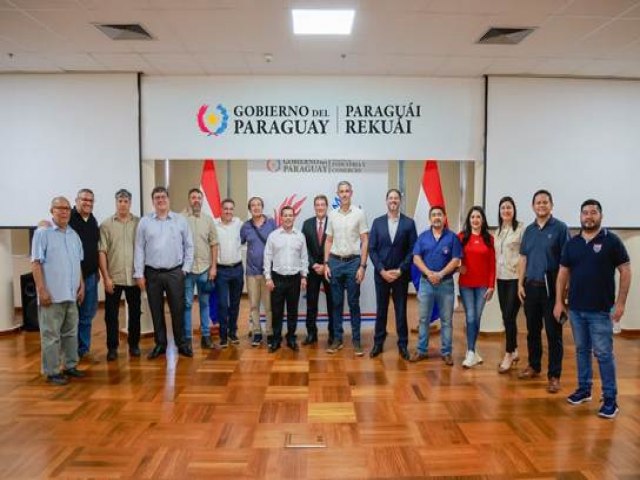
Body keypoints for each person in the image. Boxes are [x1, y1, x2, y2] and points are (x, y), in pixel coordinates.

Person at [554, 199, 631, 419]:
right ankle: (584, 389)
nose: (589, 216)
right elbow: (562, 273)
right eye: (585, 213)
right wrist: (559, 302)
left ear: (601, 216)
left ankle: (610, 399)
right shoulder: (573, 243)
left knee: (604, 354)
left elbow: (625, 271)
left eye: (593, 212)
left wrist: (621, 303)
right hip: (576, 309)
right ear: (580, 216)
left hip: (601, 311)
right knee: (581, 350)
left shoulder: (612, 241)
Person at [517, 189, 569, 393]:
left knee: (554, 333)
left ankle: (554, 376)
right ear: (533, 206)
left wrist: (563, 293)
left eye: (545, 202)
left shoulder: (561, 228)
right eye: (538, 202)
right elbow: (523, 258)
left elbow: (566, 262)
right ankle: (534, 365)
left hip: (552, 289)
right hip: (531, 287)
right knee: (532, 331)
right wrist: (520, 284)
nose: (541, 205)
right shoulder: (529, 230)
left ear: (551, 205)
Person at [134, 186, 194, 359]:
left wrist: (185, 269)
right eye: (157, 197)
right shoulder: (145, 222)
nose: (160, 200)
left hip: (175, 272)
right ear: (153, 201)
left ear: (168, 199)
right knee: (156, 310)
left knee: (178, 309)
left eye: (163, 197)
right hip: (152, 273)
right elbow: (139, 248)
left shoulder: (180, 220)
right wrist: (139, 273)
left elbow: (189, 245)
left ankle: (181, 343)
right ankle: (160, 344)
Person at [31, 196, 86, 385]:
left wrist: (81, 285)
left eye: (67, 208)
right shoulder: (42, 233)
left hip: (71, 294)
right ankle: (52, 371)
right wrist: (41, 290)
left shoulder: (73, 235)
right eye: (59, 208)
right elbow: (36, 263)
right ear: (51, 211)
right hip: (52, 296)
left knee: (71, 333)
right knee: (51, 336)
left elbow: (77, 263)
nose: (64, 212)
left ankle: (70, 365)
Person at [368, 189, 417, 360]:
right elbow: (372, 249)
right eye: (390, 198)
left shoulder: (409, 223)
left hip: (400, 275)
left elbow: (413, 250)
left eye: (396, 198)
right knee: (381, 309)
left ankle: (403, 345)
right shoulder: (377, 222)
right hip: (381, 275)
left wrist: (401, 270)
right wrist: (381, 270)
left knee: (401, 311)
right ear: (386, 201)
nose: (393, 201)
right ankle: (378, 343)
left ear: (400, 201)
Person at [411, 205, 462, 366]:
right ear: (430, 218)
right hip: (426, 283)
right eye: (434, 215)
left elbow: (456, 260)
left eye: (440, 214)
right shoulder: (423, 237)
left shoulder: (452, 237)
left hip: (446, 284)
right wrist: (429, 273)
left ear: (444, 218)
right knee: (424, 319)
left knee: (446, 320)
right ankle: (421, 350)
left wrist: (440, 274)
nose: (437, 217)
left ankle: (446, 352)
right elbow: (416, 258)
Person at [324, 181, 369, 357]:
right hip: (335, 262)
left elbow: (365, 240)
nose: (344, 194)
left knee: (353, 303)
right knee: (336, 303)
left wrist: (362, 266)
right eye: (341, 191)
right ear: (337, 194)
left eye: (347, 191)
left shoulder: (359, 213)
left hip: (353, 263)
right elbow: (328, 240)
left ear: (351, 193)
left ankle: (356, 341)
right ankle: (337, 339)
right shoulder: (332, 215)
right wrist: (326, 263)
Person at [98, 189, 141, 361]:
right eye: (120, 201)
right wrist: (106, 277)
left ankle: (134, 345)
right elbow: (102, 252)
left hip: (134, 277)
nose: (123, 204)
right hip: (113, 278)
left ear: (130, 203)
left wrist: (141, 274)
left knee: (135, 314)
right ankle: (112, 348)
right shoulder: (106, 225)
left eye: (126, 201)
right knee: (111, 316)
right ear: (116, 203)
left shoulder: (139, 223)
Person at [264, 205, 308, 352]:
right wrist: (268, 278)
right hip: (277, 278)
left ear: (294, 217)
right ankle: (276, 340)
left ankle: (291, 338)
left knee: (292, 311)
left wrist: (304, 276)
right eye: (285, 215)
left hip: (294, 279)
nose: (288, 218)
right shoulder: (273, 236)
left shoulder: (300, 236)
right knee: (277, 311)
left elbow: (304, 258)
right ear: (281, 218)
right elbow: (267, 257)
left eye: (290, 215)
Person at [458, 206, 495, 368]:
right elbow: (453, 256)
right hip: (466, 284)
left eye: (478, 217)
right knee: (471, 317)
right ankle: (471, 351)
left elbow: (492, 264)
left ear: (483, 220)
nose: (475, 220)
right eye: (472, 217)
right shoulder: (461, 237)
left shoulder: (489, 239)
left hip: (483, 286)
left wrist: (491, 285)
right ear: (469, 220)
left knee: (477, 318)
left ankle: (472, 350)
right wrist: (457, 267)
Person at [183, 188, 218, 350]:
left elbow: (214, 244)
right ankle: (187, 338)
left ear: (202, 200)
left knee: (204, 303)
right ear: (189, 200)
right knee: (187, 304)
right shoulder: (180, 219)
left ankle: (206, 336)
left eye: (199, 197)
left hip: (204, 269)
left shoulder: (208, 220)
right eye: (193, 197)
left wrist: (213, 267)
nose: (196, 200)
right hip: (187, 270)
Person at [241, 197, 277, 347]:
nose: (256, 207)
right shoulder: (245, 226)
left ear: (262, 207)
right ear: (250, 209)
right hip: (251, 273)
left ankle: (270, 332)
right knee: (254, 305)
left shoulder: (271, 223)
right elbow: (239, 242)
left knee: (269, 306)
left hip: (268, 273)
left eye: (258, 205)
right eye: (253, 205)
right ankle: (256, 332)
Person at [69, 188, 100, 360]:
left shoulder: (93, 220)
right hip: (73, 277)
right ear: (76, 201)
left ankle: (83, 349)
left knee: (87, 314)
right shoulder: (69, 219)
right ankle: (71, 350)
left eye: (90, 200)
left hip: (91, 276)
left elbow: (94, 248)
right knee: (72, 315)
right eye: (84, 200)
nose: (88, 203)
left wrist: (97, 272)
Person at [494, 196, 524, 373]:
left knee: (509, 316)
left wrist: (522, 281)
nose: (506, 210)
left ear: (514, 210)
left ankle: (508, 354)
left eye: (509, 207)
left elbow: (525, 256)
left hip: (515, 278)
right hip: (501, 278)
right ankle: (515, 349)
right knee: (507, 317)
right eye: (503, 208)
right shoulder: (497, 231)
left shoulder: (521, 229)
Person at [301, 195, 334, 346]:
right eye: (317, 205)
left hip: (330, 269)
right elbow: (304, 248)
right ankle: (311, 334)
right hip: (312, 270)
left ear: (326, 207)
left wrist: (326, 265)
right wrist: (314, 264)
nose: (320, 207)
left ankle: (333, 334)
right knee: (311, 304)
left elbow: (336, 245)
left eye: (322, 204)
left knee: (332, 303)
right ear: (314, 207)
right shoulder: (307, 224)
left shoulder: (333, 222)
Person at [214, 198, 244, 348]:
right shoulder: (214, 224)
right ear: (221, 209)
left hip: (237, 269)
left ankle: (233, 332)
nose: (228, 211)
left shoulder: (239, 223)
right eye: (225, 208)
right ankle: (223, 336)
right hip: (221, 270)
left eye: (231, 209)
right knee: (222, 304)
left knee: (235, 303)